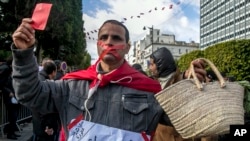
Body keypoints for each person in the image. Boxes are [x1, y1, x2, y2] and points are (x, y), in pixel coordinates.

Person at [11, 18, 206, 141]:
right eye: (104, 37)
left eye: (116, 38)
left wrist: (190, 86)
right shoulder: (71, 85)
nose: (110, 41)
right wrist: (23, 53)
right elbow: (29, 93)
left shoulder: (149, 90)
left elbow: (186, 119)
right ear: (98, 45)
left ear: (127, 47)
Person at [149, 47, 213, 141]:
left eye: (151, 64)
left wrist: (188, 76)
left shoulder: (184, 82)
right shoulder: (152, 82)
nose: (149, 68)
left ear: (161, 64)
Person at [32, 59, 61, 141]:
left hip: (38, 124)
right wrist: (48, 126)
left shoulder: (37, 78)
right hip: (45, 128)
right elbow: (44, 107)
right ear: (53, 72)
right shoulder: (46, 84)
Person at [1, 56, 21, 140]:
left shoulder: (6, 68)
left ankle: (11, 131)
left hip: (11, 94)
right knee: (12, 115)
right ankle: (10, 133)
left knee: (13, 115)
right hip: (9, 95)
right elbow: (1, 83)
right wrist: (8, 92)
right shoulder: (5, 69)